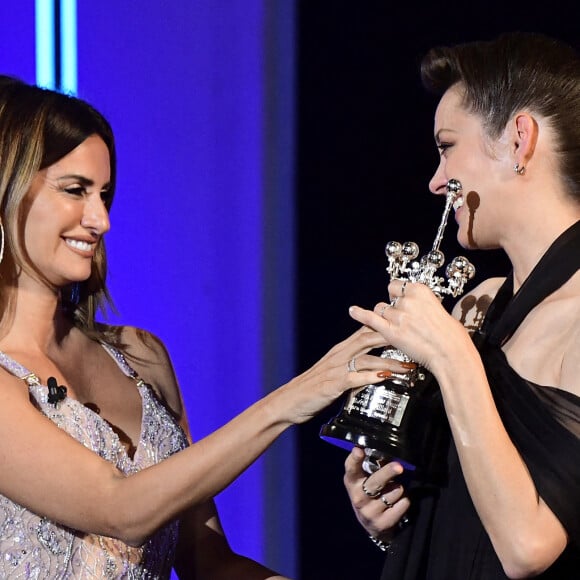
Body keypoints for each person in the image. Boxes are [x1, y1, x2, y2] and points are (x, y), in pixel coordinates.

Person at [0, 75, 396, 579]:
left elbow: (204, 560)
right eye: (75, 190)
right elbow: (122, 510)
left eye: (105, 194)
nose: (100, 220)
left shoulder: (140, 358)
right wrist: (293, 398)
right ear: (7, 191)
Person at [343, 32, 580, 579]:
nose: (435, 181)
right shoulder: (478, 304)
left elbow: (527, 547)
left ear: (519, 140)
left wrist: (452, 356)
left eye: (446, 147)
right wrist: (391, 508)